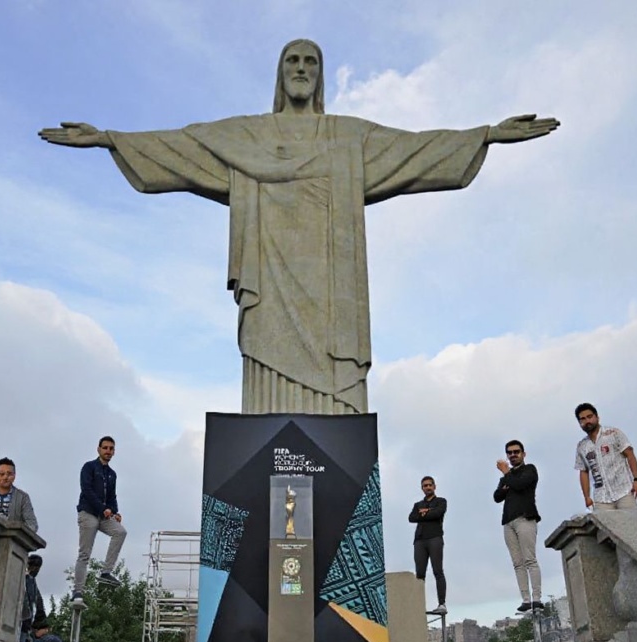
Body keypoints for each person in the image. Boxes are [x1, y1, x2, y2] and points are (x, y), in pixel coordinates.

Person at [39, 39, 558, 415]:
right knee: (266, 393)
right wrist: (110, 138)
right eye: (293, 60)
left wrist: (486, 135)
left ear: (322, 75)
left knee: (335, 403)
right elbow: (183, 145)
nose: (302, 68)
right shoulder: (248, 136)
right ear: (279, 73)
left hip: (333, 295)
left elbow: (415, 147)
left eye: (311, 61)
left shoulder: (348, 137)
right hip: (271, 283)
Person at [73, 435, 127, 603]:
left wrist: (115, 512)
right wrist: (103, 509)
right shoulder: (89, 467)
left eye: (111, 449)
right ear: (99, 449)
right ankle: (78, 591)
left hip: (103, 515)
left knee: (120, 532)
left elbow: (112, 496)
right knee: (84, 554)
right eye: (105, 448)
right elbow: (87, 490)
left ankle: (106, 572)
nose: (108, 451)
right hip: (88, 513)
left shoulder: (112, 474)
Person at [494, 440, 543, 613]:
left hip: (525, 518)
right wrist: (507, 480)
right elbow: (497, 496)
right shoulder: (507, 476)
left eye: (516, 452)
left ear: (523, 454)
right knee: (517, 563)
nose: (513, 455)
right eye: (510, 452)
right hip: (508, 521)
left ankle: (536, 598)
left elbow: (521, 485)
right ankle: (526, 599)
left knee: (530, 559)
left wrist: (507, 474)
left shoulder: (529, 470)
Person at [574, 403, 637, 511]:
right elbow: (583, 471)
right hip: (601, 497)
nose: (587, 421)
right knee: (602, 526)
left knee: (631, 525)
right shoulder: (582, 446)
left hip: (624, 491)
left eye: (590, 417)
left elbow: (630, 454)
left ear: (597, 417)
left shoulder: (613, 433)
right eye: (583, 419)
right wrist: (586, 497)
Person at [409, 476, 447, 614]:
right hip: (419, 540)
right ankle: (419, 605)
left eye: (430, 485)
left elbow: (438, 513)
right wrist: (425, 513)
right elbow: (411, 517)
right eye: (425, 485)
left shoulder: (441, 501)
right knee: (420, 573)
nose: (428, 487)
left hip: (435, 538)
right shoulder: (418, 504)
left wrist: (426, 512)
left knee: (438, 571)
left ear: (434, 486)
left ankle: (442, 603)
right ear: (422, 488)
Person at [20, 554, 63, 642]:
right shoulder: (22, 581)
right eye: (32, 566)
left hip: (32, 634)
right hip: (21, 632)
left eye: (37, 567)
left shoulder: (34, 588)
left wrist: (44, 630)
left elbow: (42, 623)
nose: (34, 569)